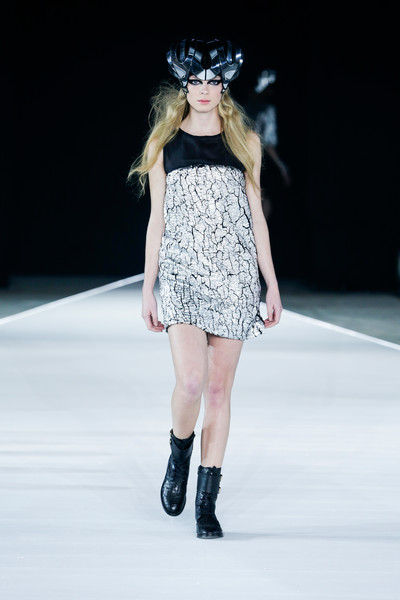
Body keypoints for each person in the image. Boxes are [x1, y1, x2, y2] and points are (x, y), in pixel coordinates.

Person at [127, 38, 283, 539]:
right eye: (195, 80)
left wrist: (271, 284)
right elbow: (156, 221)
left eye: (213, 81)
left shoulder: (245, 142)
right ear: (184, 85)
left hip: (235, 278)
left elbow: (256, 218)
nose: (204, 89)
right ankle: (179, 451)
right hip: (182, 275)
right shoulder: (164, 144)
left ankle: (206, 503)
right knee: (192, 383)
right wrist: (148, 288)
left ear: (225, 87)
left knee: (218, 390)